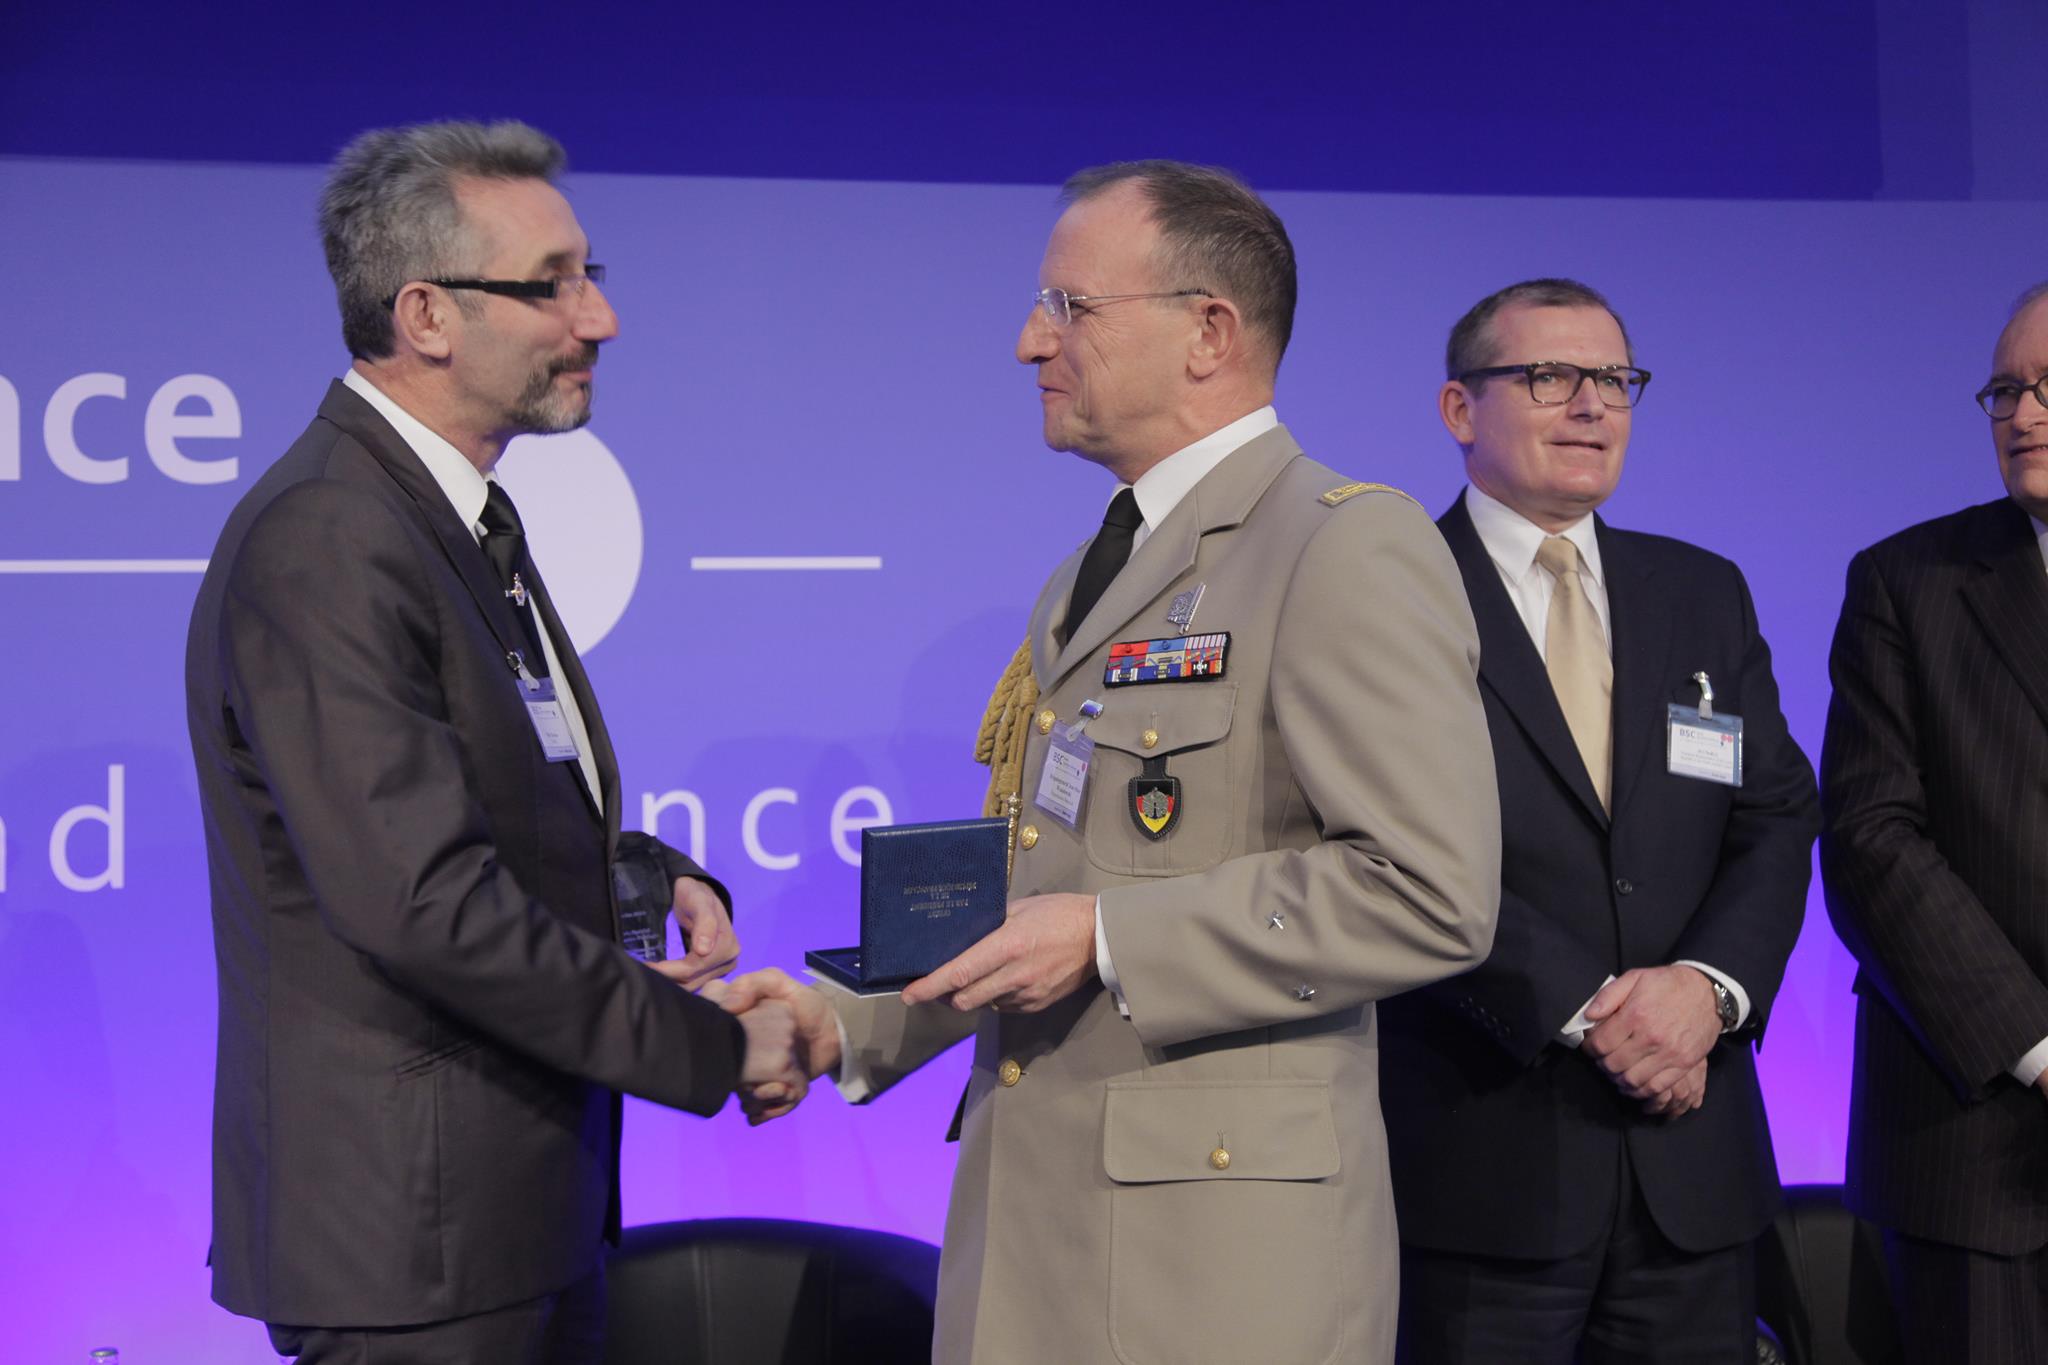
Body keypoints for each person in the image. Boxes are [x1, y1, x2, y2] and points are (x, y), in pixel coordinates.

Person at [714, 160, 1501, 1364]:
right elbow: (1046, 887)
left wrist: (1108, 938)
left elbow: (1427, 893)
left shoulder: (1342, 546)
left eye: (1069, 307)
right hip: (1037, 1231)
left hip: (1215, 1271)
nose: (1031, 341)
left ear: (1209, 333)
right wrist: (848, 1022)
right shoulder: (1103, 564)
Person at [184, 120, 800, 1364]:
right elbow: (422, 899)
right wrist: (714, 1044)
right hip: (415, 1249)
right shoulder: (328, 537)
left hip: (505, 1224)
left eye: (593, 275)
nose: (597, 319)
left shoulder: (442, 516)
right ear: (425, 315)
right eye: (551, 284)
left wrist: (638, 873)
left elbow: (465, 795)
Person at [1377, 278, 1819, 1363]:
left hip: (1692, 1160)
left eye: (1614, 379)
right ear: (1456, 409)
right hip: (1487, 1164)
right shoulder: (1388, 590)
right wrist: (1594, 1014)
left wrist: (1704, 994)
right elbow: (1382, 839)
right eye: (1549, 376)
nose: (1591, 404)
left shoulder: (1697, 590)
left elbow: (1773, 813)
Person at [1821, 282, 2048, 1363]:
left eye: (2047, 388)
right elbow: (1871, 841)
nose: (2020, 415)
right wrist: (2036, 1048)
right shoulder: (1906, 582)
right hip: (1970, 1146)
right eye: (2003, 390)